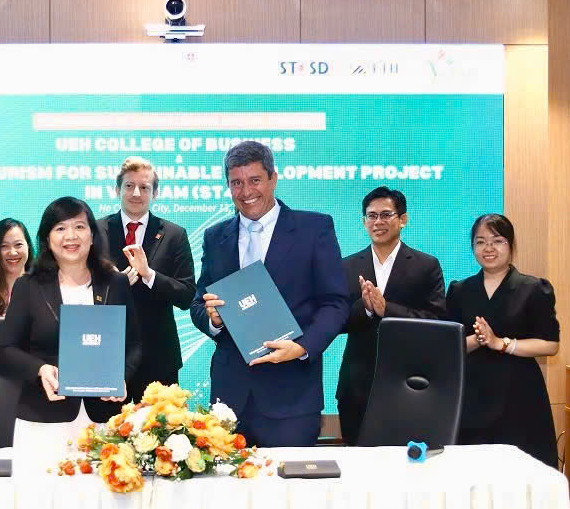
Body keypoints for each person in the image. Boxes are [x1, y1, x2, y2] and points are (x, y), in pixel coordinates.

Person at [190, 141, 350, 447]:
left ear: (273, 179)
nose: (246, 191)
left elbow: (336, 303)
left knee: (290, 480)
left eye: (255, 180)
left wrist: (302, 347)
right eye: (236, 183)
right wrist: (214, 320)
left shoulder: (314, 227)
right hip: (229, 400)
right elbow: (199, 302)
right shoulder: (215, 236)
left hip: (292, 396)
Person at [0, 196, 142, 432]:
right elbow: (6, 351)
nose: (71, 236)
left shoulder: (115, 283)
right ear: (47, 238)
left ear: (92, 236)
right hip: (42, 417)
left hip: (105, 417)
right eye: (60, 228)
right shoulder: (28, 286)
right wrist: (40, 369)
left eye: (79, 227)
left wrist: (121, 377)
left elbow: (133, 344)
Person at [447, 214, 559, 467]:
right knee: (471, 470)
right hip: (471, 393)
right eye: (480, 242)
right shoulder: (459, 291)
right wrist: (479, 339)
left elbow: (550, 345)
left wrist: (501, 343)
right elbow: (448, 348)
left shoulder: (534, 289)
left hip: (519, 392)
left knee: (522, 471)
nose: (488, 248)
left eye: (497, 241)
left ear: (511, 245)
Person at [336, 186, 446, 445]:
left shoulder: (426, 265)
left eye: (386, 215)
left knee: (407, 462)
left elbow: (437, 321)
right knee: (359, 460)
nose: (378, 222)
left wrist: (387, 310)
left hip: (410, 383)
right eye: (371, 216)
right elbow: (336, 321)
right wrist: (365, 308)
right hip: (357, 384)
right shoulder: (347, 266)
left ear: (403, 219)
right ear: (364, 221)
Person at [98, 157, 195, 402]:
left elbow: (186, 295)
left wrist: (149, 275)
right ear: (117, 190)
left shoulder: (174, 234)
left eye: (144, 187)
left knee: (161, 425)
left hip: (159, 357)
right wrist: (112, 285)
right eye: (129, 186)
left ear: (155, 193)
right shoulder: (95, 232)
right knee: (106, 427)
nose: (136, 193)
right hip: (107, 354)